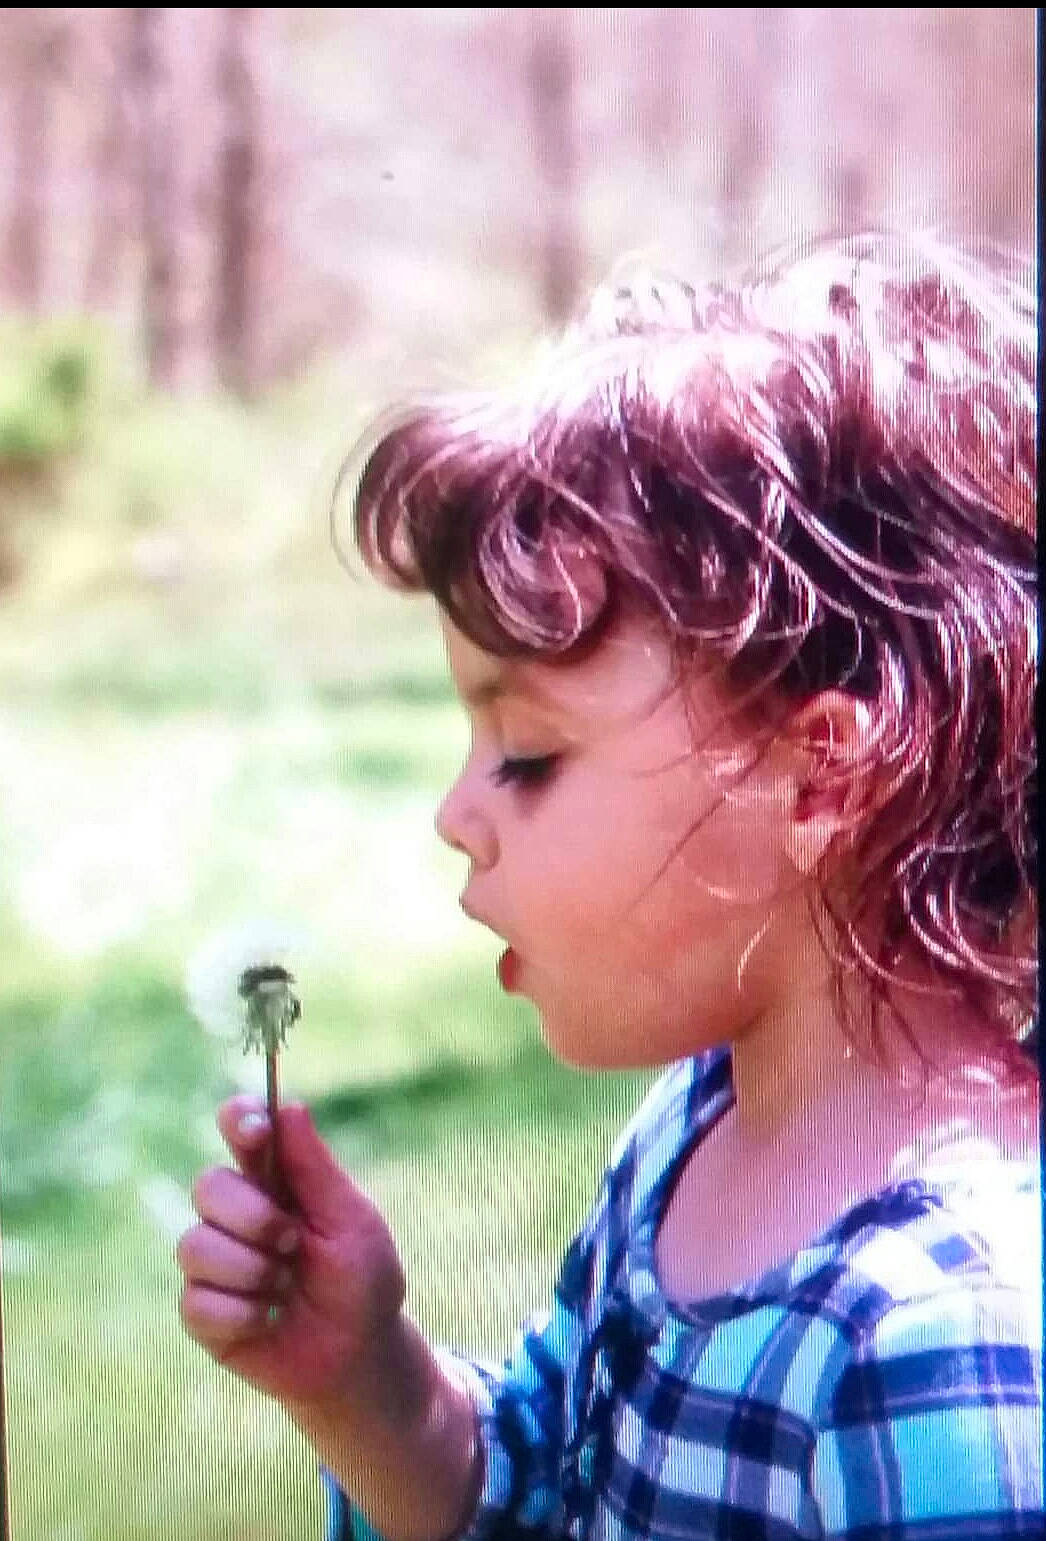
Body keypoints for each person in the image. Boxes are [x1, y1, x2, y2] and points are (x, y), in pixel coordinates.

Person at [176, 228, 1041, 1540]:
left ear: (816, 777)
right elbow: (541, 1486)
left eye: (526, 753)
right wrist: (369, 1384)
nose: (457, 814)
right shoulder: (688, 1129)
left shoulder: (942, 1339)